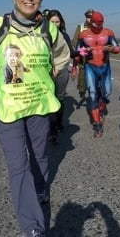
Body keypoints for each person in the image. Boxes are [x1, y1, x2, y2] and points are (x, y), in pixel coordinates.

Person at [0, 0, 70, 237]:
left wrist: (53, 72)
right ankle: (33, 226)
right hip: (7, 110)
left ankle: (40, 189)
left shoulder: (48, 30)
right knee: (18, 165)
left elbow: (63, 56)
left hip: (39, 106)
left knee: (39, 155)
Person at [73, 11, 120, 138]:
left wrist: (111, 49)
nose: (98, 26)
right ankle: (97, 124)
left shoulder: (108, 32)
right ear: (91, 22)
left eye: (100, 24)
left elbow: (117, 48)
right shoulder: (83, 34)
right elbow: (77, 52)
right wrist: (84, 52)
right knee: (93, 94)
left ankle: (102, 104)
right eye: (95, 24)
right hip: (90, 67)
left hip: (105, 67)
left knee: (107, 93)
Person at [46, 9, 75, 144]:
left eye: (57, 22)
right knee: (49, 99)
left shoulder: (64, 35)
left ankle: (59, 122)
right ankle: (51, 130)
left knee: (60, 98)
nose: (55, 24)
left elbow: (71, 52)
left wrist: (85, 52)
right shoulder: (41, 35)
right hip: (46, 72)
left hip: (62, 71)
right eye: (52, 21)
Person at [72, 8, 94, 98]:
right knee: (83, 71)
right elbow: (74, 40)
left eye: (92, 17)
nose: (90, 19)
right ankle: (82, 90)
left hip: (94, 55)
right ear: (86, 17)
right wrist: (82, 50)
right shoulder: (80, 27)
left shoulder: (97, 27)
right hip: (83, 54)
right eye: (88, 17)